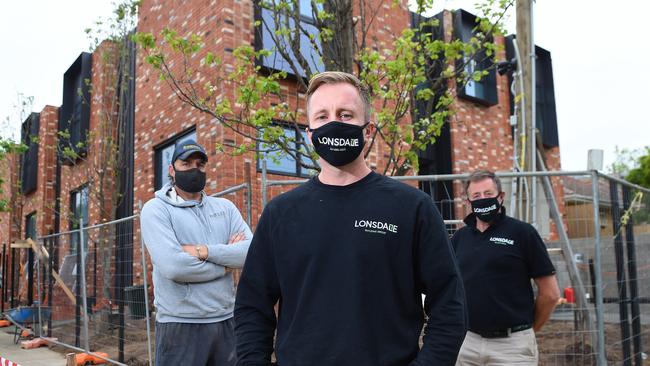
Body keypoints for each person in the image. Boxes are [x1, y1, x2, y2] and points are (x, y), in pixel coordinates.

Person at [234, 71, 467, 366]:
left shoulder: (412, 208)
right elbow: (252, 306)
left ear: (367, 130)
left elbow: (449, 303)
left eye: (345, 115)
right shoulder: (281, 214)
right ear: (309, 134)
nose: (333, 123)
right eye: (322, 116)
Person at [140, 139, 252, 366]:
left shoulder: (225, 208)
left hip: (226, 321)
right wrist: (227, 264)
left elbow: (250, 251)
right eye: (186, 163)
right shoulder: (156, 209)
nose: (195, 169)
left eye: (200, 164)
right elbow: (174, 267)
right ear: (172, 170)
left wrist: (203, 251)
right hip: (180, 325)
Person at [452, 170, 560, 365]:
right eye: (476, 196)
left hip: (512, 348)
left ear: (501, 197)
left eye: (488, 194)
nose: (482, 199)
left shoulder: (522, 233)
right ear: (468, 202)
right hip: (466, 343)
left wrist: (528, 330)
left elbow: (550, 294)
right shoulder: (459, 239)